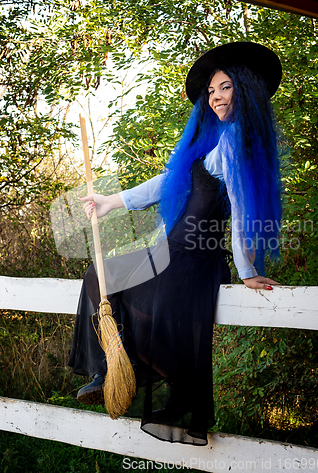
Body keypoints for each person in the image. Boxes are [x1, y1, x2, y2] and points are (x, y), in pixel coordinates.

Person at [68, 41, 283, 446]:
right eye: (212, 91)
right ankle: (112, 367)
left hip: (194, 256)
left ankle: (171, 384)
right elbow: (169, 182)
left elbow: (241, 210)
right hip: (173, 248)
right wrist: (111, 201)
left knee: (132, 300)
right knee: (98, 276)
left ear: (245, 89)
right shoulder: (214, 138)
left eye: (225, 88)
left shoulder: (238, 142)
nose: (216, 97)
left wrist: (248, 271)